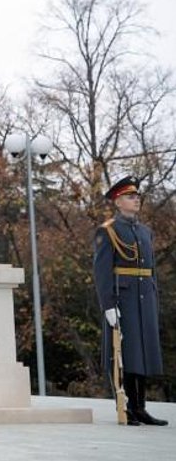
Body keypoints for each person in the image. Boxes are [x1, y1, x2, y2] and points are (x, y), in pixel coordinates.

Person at [93, 176, 166, 426]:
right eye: (130, 197)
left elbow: (151, 268)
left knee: (143, 353)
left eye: (137, 197)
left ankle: (141, 407)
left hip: (144, 298)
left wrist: (155, 298)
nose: (136, 200)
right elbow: (101, 271)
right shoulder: (108, 230)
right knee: (125, 353)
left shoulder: (145, 232)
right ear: (118, 201)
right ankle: (125, 407)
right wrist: (108, 305)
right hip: (122, 299)